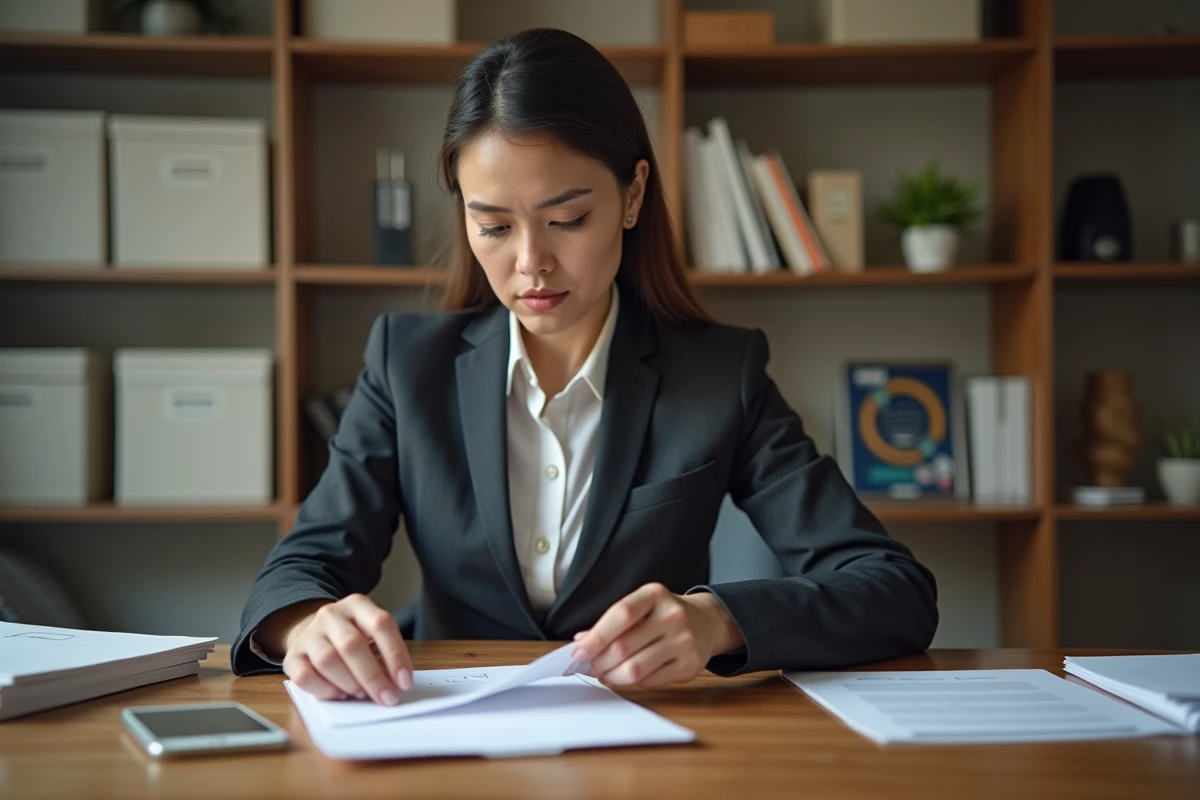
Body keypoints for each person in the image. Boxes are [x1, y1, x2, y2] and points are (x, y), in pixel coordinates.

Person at [232, 27, 938, 707]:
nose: (530, 262)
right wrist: (309, 626)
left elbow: (893, 588)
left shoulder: (722, 375)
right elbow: (299, 569)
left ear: (633, 195)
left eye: (567, 220)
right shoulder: (407, 364)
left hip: (647, 738)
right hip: (449, 733)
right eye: (493, 226)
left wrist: (715, 620)